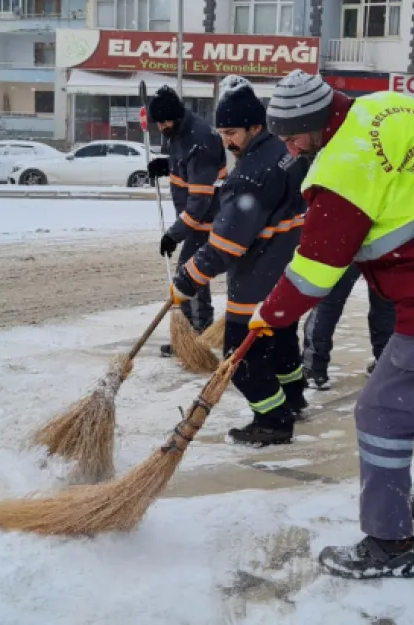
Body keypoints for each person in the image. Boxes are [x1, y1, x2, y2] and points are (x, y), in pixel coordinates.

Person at [248, 70, 414, 579]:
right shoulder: (392, 105)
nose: (289, 147)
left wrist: (269, 315)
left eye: (291, 136)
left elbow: (315, 273)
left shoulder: (342, 169)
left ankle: (389, 546)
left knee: (380, 412)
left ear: (311, 122)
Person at [169, 76, 308, 446]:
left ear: (254, 126)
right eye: (222, 132)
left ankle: (273, 419)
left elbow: (225, 245)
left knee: (240, 361)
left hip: (257, 282)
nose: (225, 141)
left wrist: (187, 279)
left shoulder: (249, 176)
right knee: (281, 343)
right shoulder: (283, 153)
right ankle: (294, 397)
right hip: (285, 278)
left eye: (231, 132)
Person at [144, 86, 226, 356]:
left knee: (189, 275)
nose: (163, 126)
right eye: (160, 122)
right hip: (197, 220)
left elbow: (199, 202)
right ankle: (195, 336)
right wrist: (165, 164)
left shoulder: (199, 140)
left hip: (208, 219)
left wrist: (173, 235)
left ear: (178, 116)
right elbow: (183, 164)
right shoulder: (179, 133)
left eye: (168, 121)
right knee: (193, 275)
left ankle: (196, 337)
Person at [301, 265, 395, 390]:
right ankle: (385, 364)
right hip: (382, 249)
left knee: (328, 303)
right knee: (385, 304)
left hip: (345, 250)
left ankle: (314, 369)